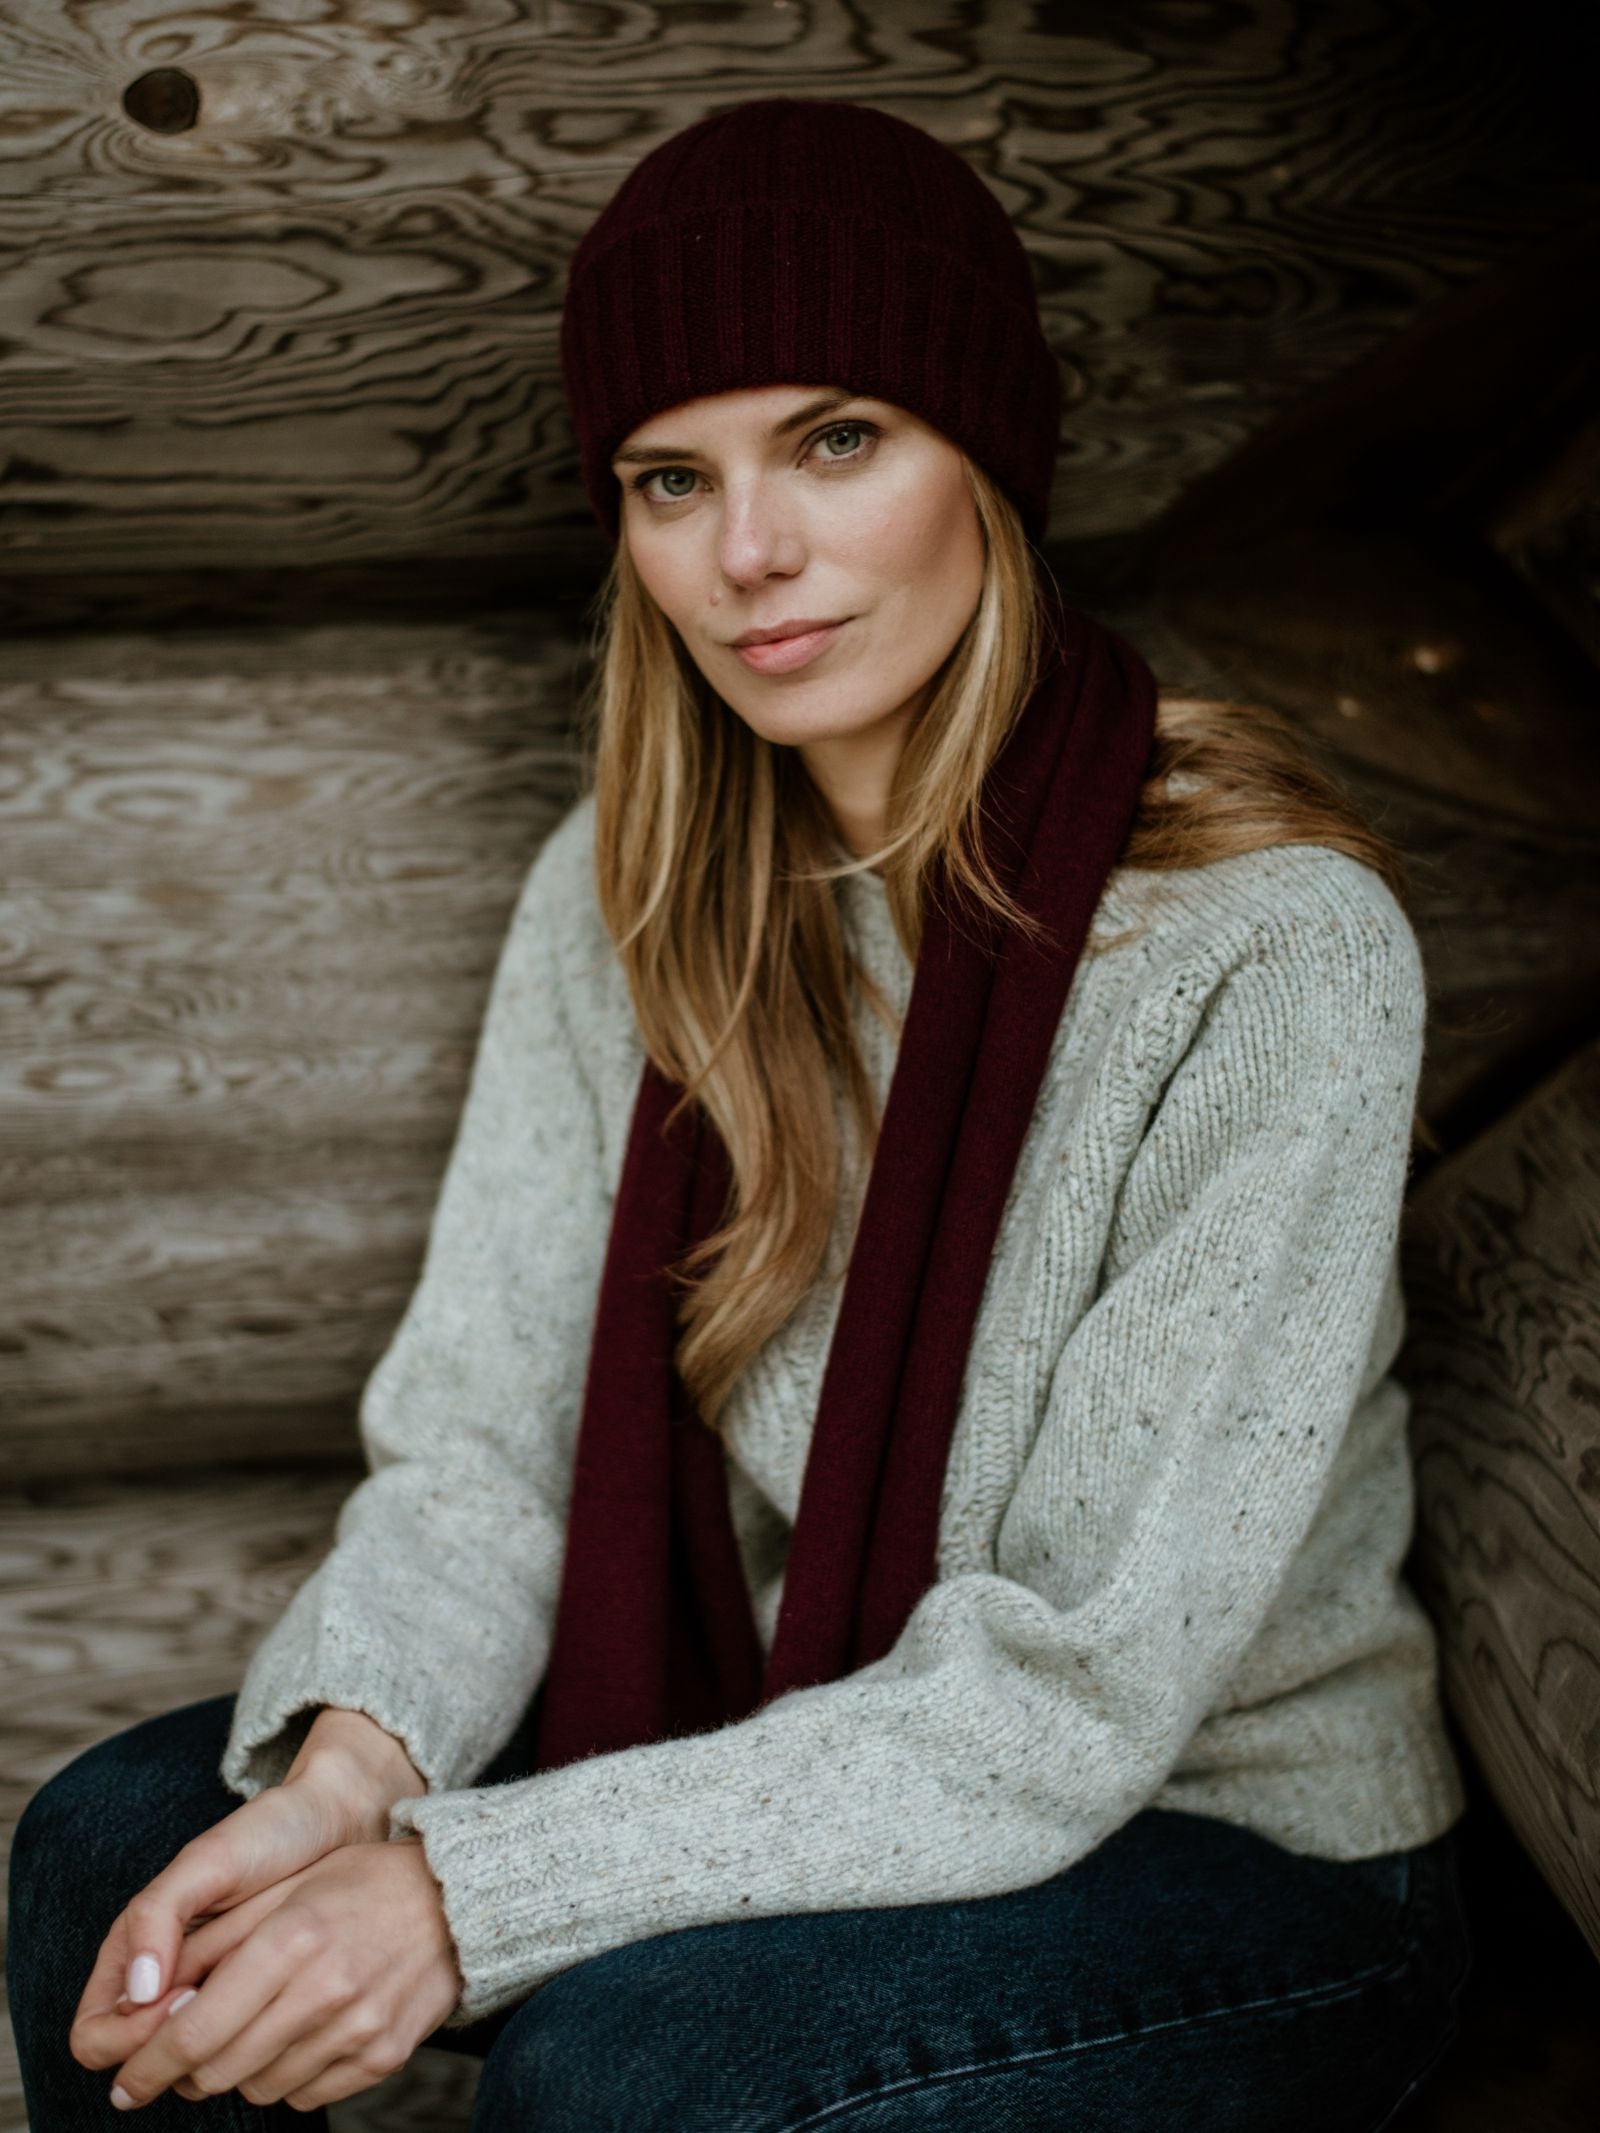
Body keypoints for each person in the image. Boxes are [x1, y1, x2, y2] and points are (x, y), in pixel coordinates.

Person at [8, 95, 1472, 2131]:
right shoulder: (618, 899)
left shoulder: (1264, 943)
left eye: (836, 440)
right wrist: (353, 1779)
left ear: (987, 457)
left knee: (636, 2068)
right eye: (670, 478)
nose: (748, 552)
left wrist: (462, 1889)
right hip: (781, 1715)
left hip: (1227, 1844)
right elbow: (490, 1458)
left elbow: (1069, 1690)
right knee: (120, 1854)